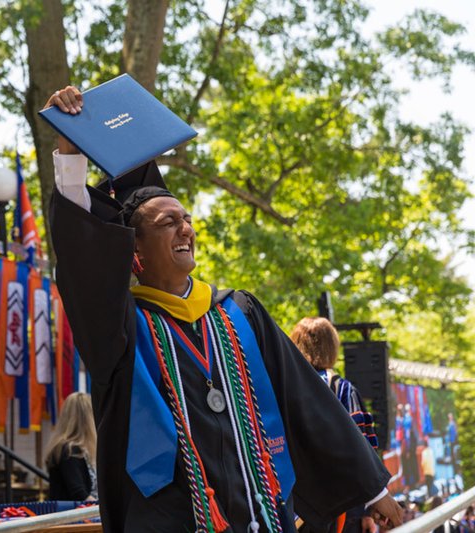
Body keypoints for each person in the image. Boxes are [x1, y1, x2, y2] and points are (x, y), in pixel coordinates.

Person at [45, 85, 402, 533]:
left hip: (264, 512)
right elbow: (86, 266)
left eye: (187, 218)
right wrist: (70, 152)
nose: (186, 229)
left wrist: (372, 489)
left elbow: (305, 398)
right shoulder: (122, 328)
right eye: (168, 222)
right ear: (133, 249)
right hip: (175, 518)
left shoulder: (240, 313)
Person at [290, 317, 379, 533]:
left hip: (296, 507)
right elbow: (363, 454)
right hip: (341, 508)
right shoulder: (343, 390)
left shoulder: (285, 387)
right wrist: (367, 511)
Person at [44, 392, 99, 501]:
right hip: (76, 515)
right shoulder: (69, 450)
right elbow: (78, 493)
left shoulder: (80, 449)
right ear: (87, 419)